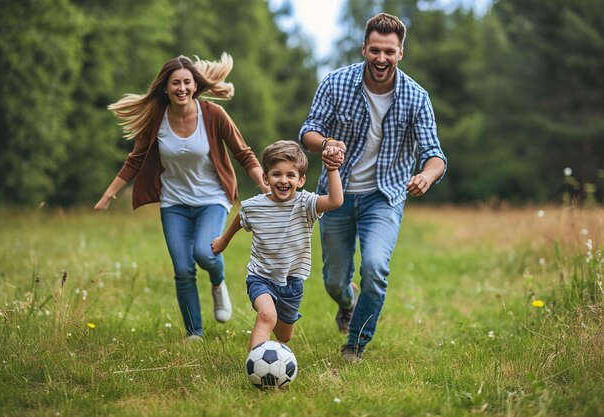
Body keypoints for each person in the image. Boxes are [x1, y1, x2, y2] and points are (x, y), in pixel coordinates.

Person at [299, 12, 447, 363]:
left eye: (390, 52)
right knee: (334, 280)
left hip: (385, 197)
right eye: (376, 50)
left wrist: (426, 176)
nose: (382, 58)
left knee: (375, 268)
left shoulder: (416, 97)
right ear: (365, 49)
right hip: (336, 195)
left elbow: (435, 155)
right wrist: (325, 144)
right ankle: (347, 300)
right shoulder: (336, 83)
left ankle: (355, 344)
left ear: (400, 54)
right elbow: (308, 131)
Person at [95, 53, 269, 341]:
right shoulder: (156, 119)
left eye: (187, 82)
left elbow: (243, 153)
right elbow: (135, 160)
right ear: (165, 87)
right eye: (175, 83)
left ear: (195, 85)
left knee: (204, 252)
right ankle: (194, 333)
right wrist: (108, 194)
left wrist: (265, 186)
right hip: (174, 203)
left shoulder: (213, 114)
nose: (181, 88)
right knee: (182, 268)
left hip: (212, 199)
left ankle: (217, 281)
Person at [211, 140, 344, 349]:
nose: (283, 180)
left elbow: (335, 201)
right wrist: (223, 240)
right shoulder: (253, 206)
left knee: (284, 336)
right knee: (266, 316)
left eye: (290, 175)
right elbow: (240, 218)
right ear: (266, 177)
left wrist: (332, 169)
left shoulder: (306, 204)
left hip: (292, 283)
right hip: (261, 277)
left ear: (301, 180)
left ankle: (273, 358)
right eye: (276, 174)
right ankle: (255, 363)